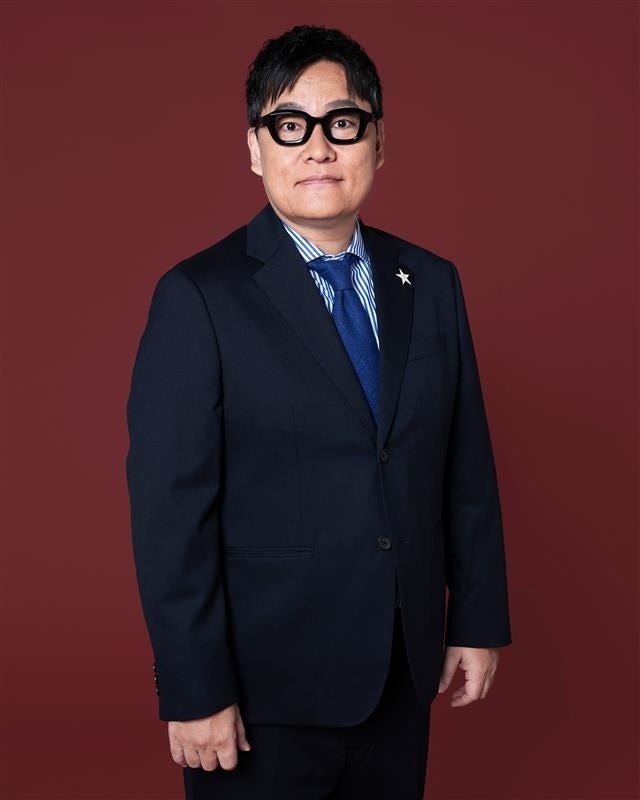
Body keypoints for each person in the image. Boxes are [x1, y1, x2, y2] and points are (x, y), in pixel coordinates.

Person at [125, 24, 512, 800]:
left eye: (343, 123)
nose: (319, 148)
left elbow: (464, 465)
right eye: (289, 126)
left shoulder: (431, 282)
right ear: (254, 148)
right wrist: (195, 689)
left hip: (401, 670)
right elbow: (170, 513)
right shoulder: (199, 296)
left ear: (377, 141)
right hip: (260, 694)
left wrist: (476, 619)